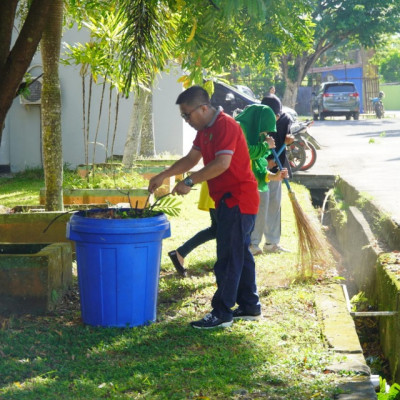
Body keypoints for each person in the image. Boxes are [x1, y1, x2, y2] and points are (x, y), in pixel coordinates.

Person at [148, 85, 261, 329]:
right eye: (183, 115)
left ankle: (222, 313)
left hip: (238, 199)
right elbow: (191, 159)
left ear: (203, 108)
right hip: (227, 199)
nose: (185, 120)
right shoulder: (205, 130)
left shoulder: (226, 125)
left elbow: (221, 163)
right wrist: (164, 175)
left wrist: (189, 181)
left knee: (228, 258)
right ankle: (250, 306)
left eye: (187, 114)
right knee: (240, 253)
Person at [234, 103, 289, 256]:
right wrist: (265, 145)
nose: (265, 133)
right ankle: (248, 245)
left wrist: (274, 176)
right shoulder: (239, 128)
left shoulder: (255, 133)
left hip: (251, 183)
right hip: (236, 187)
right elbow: (246, 153)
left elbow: (257, 166)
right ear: (258, 122)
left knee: (260, 208)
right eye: (264, 128)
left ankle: (252, 245)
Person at [249, 94, 294, 255]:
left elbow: (285, 139)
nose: (276, 119)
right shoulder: (254, 123)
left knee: (274, 206)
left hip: (276, 169)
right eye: (273, 115)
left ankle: (272, 243)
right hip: (258, 172)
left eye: (277, 115)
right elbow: (250, 149)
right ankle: (253, 243)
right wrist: (265, 163)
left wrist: (288, 142)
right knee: (259, 207)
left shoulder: (285, 119)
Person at [168, 182, 216, 277]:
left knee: (216, 230)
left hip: (218, 191)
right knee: (224, 231)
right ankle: (223, 267)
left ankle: (180, 253)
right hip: (221, 192)